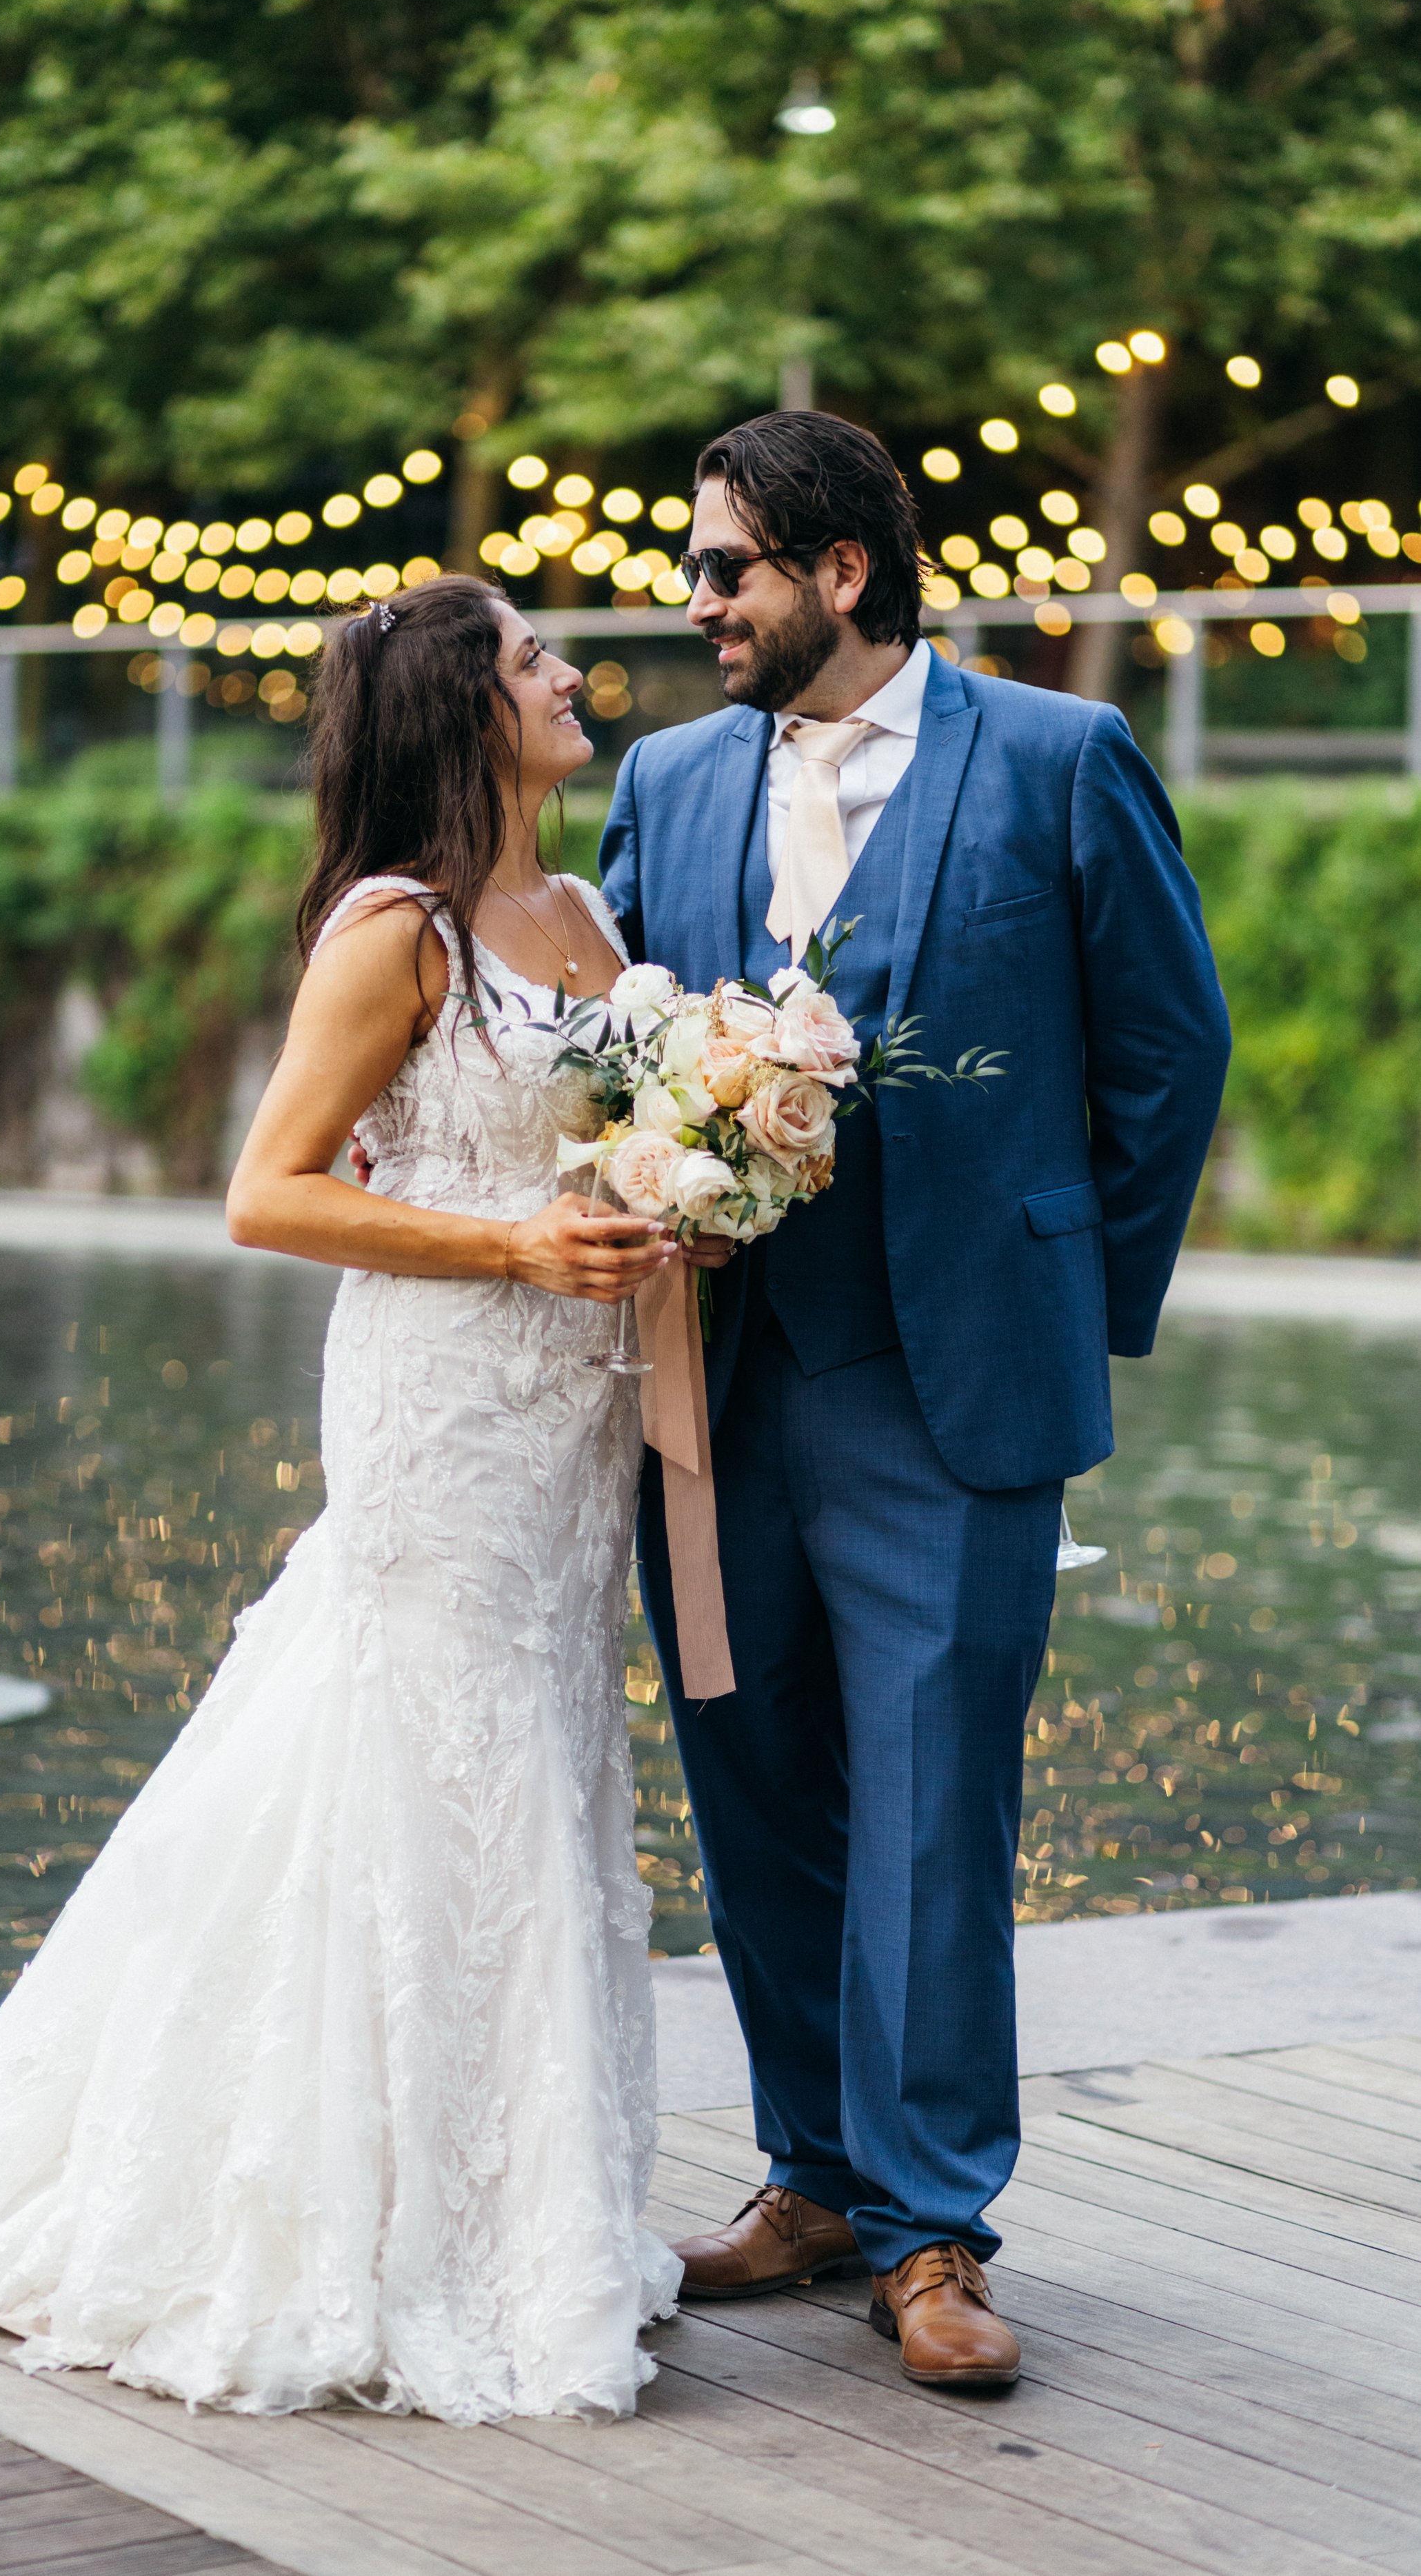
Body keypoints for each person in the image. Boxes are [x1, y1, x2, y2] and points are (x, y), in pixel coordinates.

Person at [0, 576, 686, 2425]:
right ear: (463, 711)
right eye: (532, 660)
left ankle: (512, 2210)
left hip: (574, 1420)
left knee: (535, 1763)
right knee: (424, 1767)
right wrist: (511, 1245)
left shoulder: (573, 907)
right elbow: (268, 1193)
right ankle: (357, 2226)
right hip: (444, 1401)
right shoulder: (391, 930)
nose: (569, 678)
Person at [601, 411, 1230, 2388]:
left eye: (726, 569)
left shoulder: (1056, 758)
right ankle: (811, 2175)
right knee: (754, 1776)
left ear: (840, 572)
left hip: (950, 1391)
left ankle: (936, 2229)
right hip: (713, 1381)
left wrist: (1061, 1290)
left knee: (934, 1800)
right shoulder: (668, 777)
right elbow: (621, 1048)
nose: (694, 602)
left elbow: (1164, 1054)